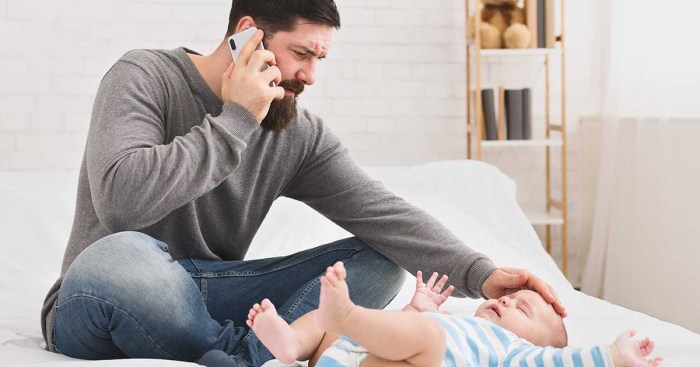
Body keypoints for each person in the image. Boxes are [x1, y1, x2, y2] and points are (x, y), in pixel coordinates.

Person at [41, 0, 565, 365]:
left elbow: (383, 214)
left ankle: (253, 356)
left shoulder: (296, 132)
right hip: (104, 293)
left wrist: (485, 275)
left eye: (321, 59)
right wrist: (236, 119)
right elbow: (121, 202)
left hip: (210, 292)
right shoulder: (143, 77)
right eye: (302, 54)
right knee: (125, 255)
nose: (312, 76)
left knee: (380, 260)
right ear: (247, 34)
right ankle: (250, 351)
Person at [244, 262, 663, 367]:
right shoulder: (458, 320)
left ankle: (346, 315)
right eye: (511, 297)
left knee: (427, 338)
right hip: (345, 352)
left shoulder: (513, 352)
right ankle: (288, 344)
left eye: (523, 309)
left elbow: (558, 361)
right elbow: (394, 334)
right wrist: (415, 308)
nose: (507, 301)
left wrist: (611, 355)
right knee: (320, 325)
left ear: (532, 341)